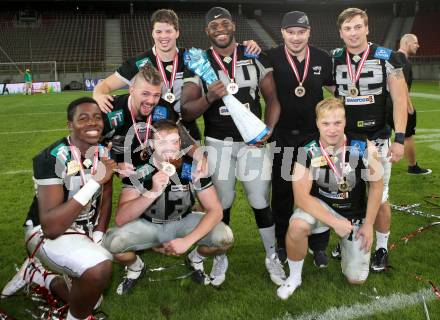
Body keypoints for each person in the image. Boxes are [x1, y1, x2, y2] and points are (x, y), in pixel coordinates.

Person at [181, 6, 286, 286]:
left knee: (260, 201)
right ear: (207, 31)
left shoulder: (254, 56)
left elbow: (273, 98)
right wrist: (208, 98)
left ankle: (271, 255)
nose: (220, 29)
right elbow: (186, 111)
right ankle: (219, 254)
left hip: (252, 144)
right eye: (214, 26)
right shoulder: (199, 62)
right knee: (223, 202)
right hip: (218, 144)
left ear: (233, 26)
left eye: (225, 23)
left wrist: (269, 130)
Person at [1, 97, 117, 320]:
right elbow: (52, 227)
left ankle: (39, 276)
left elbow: (107, 196)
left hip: (82, 229)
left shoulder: (102, 151)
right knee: (98, 269)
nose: (92, 123)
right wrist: (95, 181)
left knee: (92, 294)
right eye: (83, 118)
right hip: (45, 232)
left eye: (97, 117)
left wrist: (99, 235)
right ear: (70, 125)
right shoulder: (52, 157)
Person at [102, 120, 234, 294]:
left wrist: (187, 241)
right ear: (151, 144)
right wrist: (153, 192)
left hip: (183, 220)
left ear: (180, 142)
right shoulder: (139, 169)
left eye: (174, 141)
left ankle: (195, 258)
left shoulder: (192, 166)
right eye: (162, 142)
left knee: (224, 238)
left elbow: (215, 210)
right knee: (112, 244)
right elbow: (121, 218)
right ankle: (136, 268)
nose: (170, 147)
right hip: (150, 224)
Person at [93, 9, 260, 141]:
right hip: (154, 133)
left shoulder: (193, 58)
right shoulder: (139, 63)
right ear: (152, 33)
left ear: (177, 32)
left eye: (168, 31)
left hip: (187, 130)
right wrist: (98, 94)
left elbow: (222, 52)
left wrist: (246, 46)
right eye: (159, 32)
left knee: (193, 181)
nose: (164, 36)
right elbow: (105, 85)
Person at [277, 97, 383, 300]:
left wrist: (369, 224)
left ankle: (345, 245)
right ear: (317, 123)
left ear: (345, 121)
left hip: (354, 211)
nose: (332, 129)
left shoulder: (363, 146)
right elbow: (301, 197)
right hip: (321, 206)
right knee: (297, 226)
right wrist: (334, 222)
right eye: (325, 123)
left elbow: (376, 186)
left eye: (337, 123)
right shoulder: (306, 150)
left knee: (356, 279)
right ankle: (294, 277)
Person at [330, 8, 408, 272]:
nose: (353, 33)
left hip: (378, 138)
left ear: (367, 28)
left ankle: (382, 247)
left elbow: (399, 100)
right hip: (346, 141)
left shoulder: (387, 58)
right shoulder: (335, 58)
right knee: (348, 193)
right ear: (341, 33)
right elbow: (334, 98)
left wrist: (399, 138)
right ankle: (347, 239)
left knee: (380, 196)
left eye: (357, 27)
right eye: (347, 28)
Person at [265, 11, 335, 267]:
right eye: (291, 32)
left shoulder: (322, 58)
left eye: (301, 32)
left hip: (313, 140)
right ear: (282, 32)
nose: (296, 37)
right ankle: (283, 243)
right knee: (282, 192)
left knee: (319, 190)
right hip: (282, 138)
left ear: (309, 32)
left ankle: (319, 246)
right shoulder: (270, 56)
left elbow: (336, 90)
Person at [388, 34, 431, 175]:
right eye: (415, 43)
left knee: (382, 137)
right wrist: (409, 107)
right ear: (406, 43)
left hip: (386, 105)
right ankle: (413, 167)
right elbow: (403, 85)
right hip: (397, 105)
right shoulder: (402, 61)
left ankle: (379, 166)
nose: (418, 45)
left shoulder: (393, 58)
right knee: (407, 136)